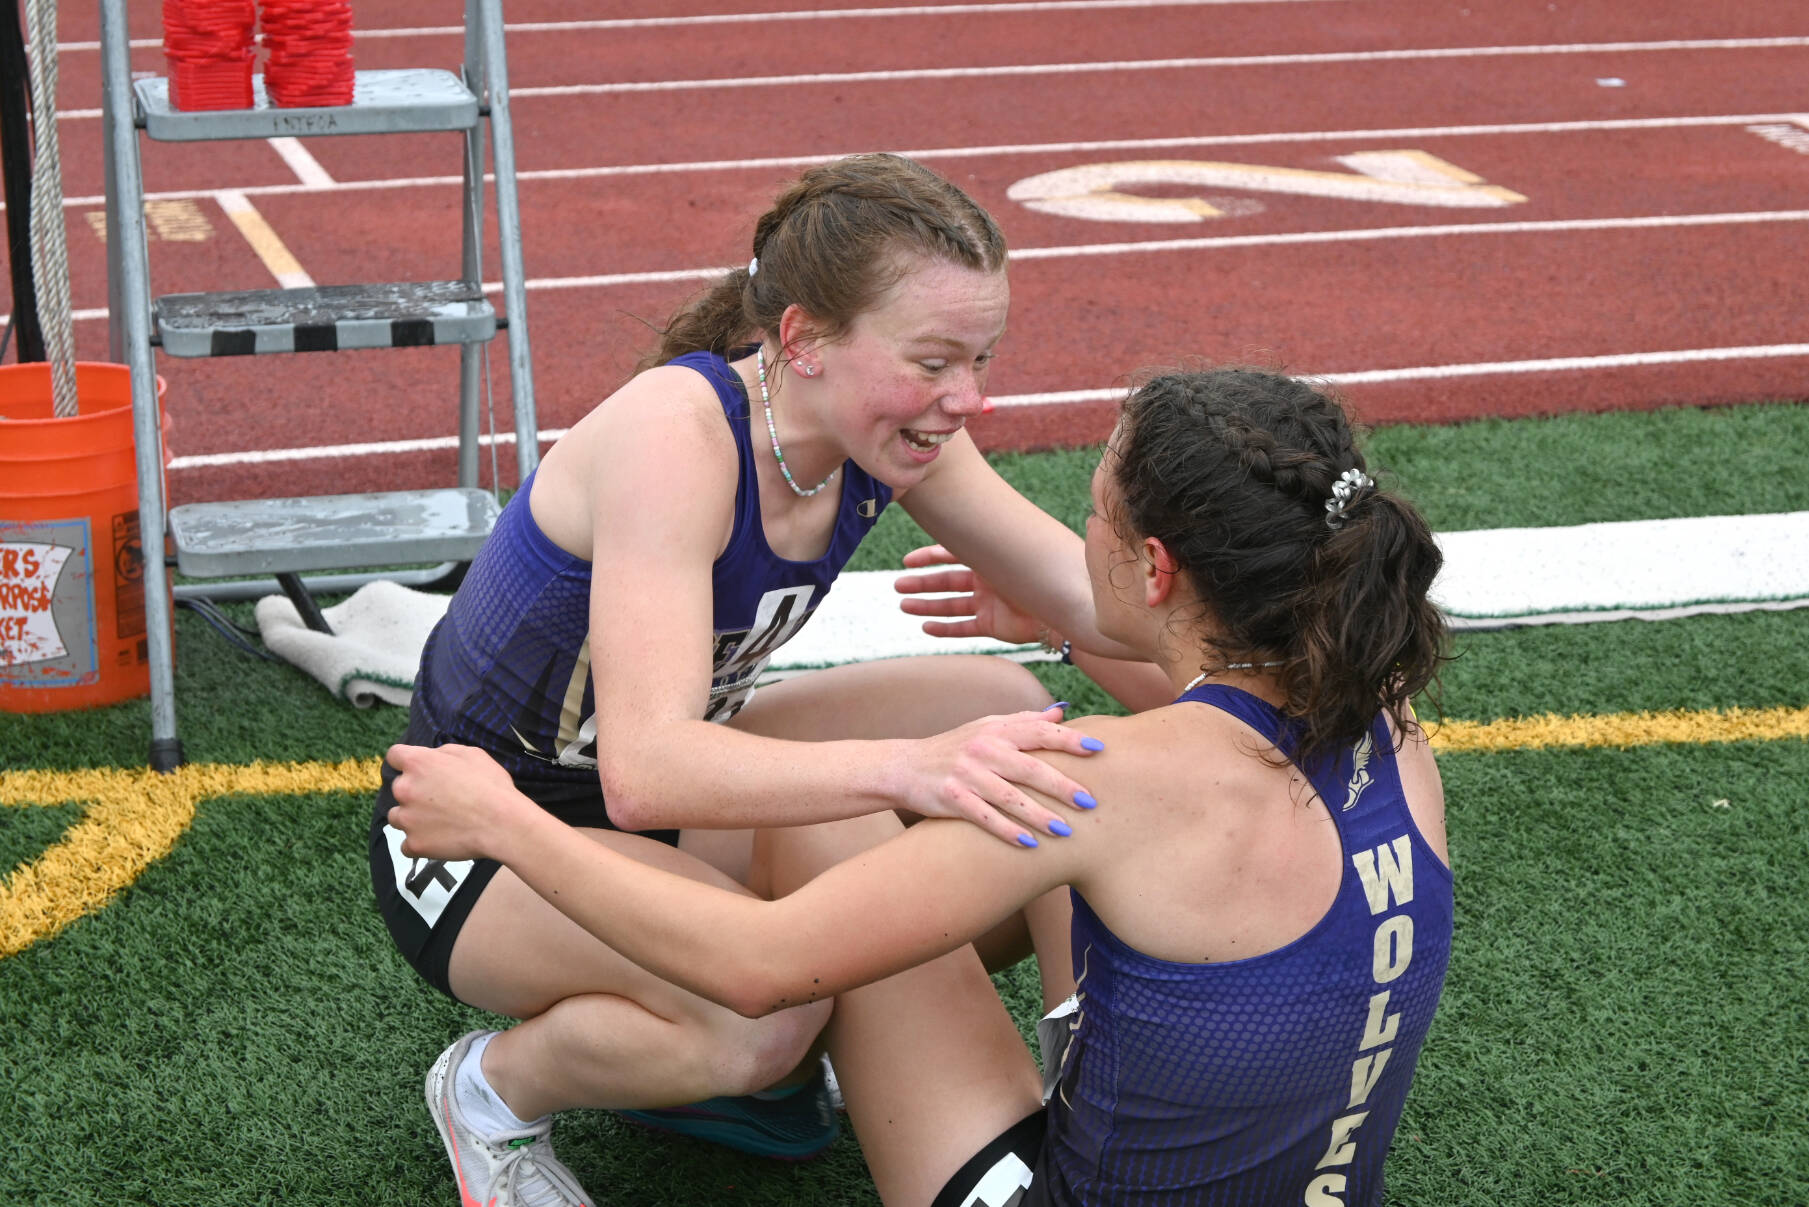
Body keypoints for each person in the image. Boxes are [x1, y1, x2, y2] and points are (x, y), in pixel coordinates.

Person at [386, 366, 1456, 1206]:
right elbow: (1207, 709)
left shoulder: (1098, 779)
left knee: (834, 828)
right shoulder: (1391, 722)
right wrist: (1054, 630)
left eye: (1094, 514)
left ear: (1157, 571)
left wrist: (507, 824)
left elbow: (760, 965)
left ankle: (508, 1082)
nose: (1076, 537)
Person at [369, 153, 1144, 1207]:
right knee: (758, 1019)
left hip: (667, 787)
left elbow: (1097, 601)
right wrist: (907, 771)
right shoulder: (674, 435)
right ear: (803, 340)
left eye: (981, 358)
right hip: (485, 828)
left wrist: (1304, 657)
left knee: (1007, 717)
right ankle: (492, 1090)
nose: (967, 398)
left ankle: (1040, 1088)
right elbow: (645, 769)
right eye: (934, 360)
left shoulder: (886, 429)